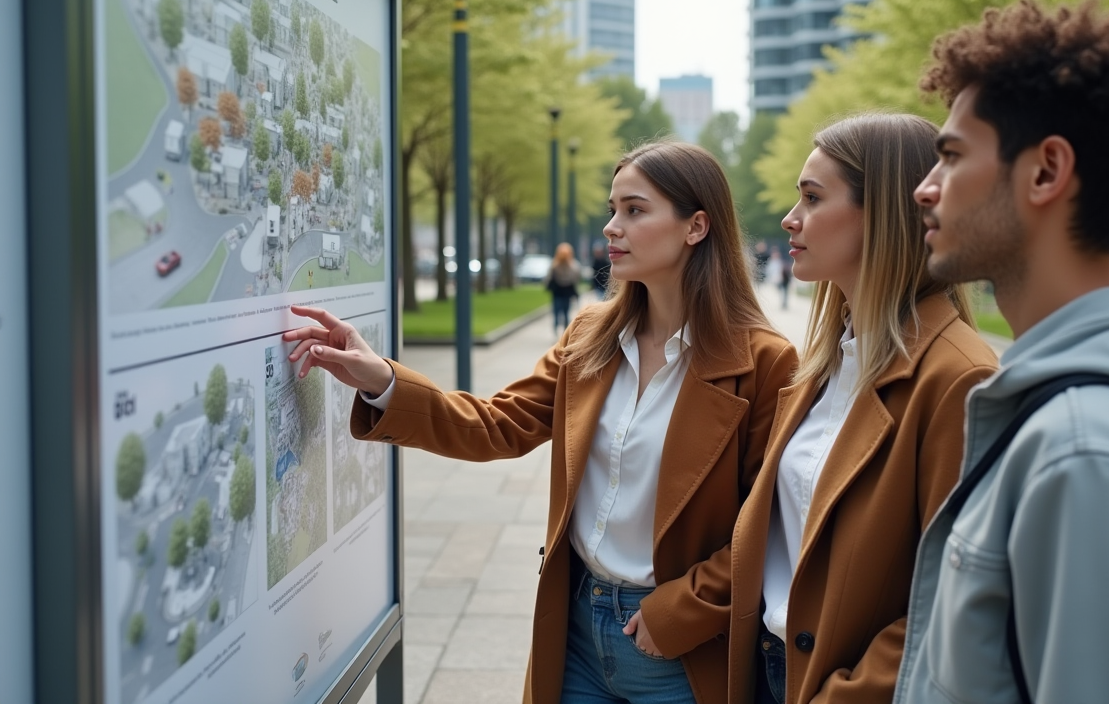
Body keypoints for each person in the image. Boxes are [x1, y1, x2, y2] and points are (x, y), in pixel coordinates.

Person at [283, 141, 797, 704]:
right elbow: (496, 424)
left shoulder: (764, 362)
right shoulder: (591, 336)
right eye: (612, 209)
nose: (611, 227)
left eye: (635, 210)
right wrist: (381, 378)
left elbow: (768, 528)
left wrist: (676, 614)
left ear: (696, 226)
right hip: (575, 632)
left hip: (680, 651)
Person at [895, 0, 1109, 704]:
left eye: (951, 155)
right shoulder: (1093, 416)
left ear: (1045, 172)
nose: (924, 187)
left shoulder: (1084, 452)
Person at [725, 113, 998, 704]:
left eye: (812, 198)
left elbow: (955, 597)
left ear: (884, 214)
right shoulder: (828, 361)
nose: (789, 218)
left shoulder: (959, 378)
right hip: (769, 672)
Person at [546, 242, 582, 332]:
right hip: (561, 292)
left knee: (562, 312)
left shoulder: (558, 265)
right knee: (560, 312)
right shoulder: (558, 265)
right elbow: (576, 278)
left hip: (562, 292)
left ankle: (562, 330)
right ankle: (561, 329)